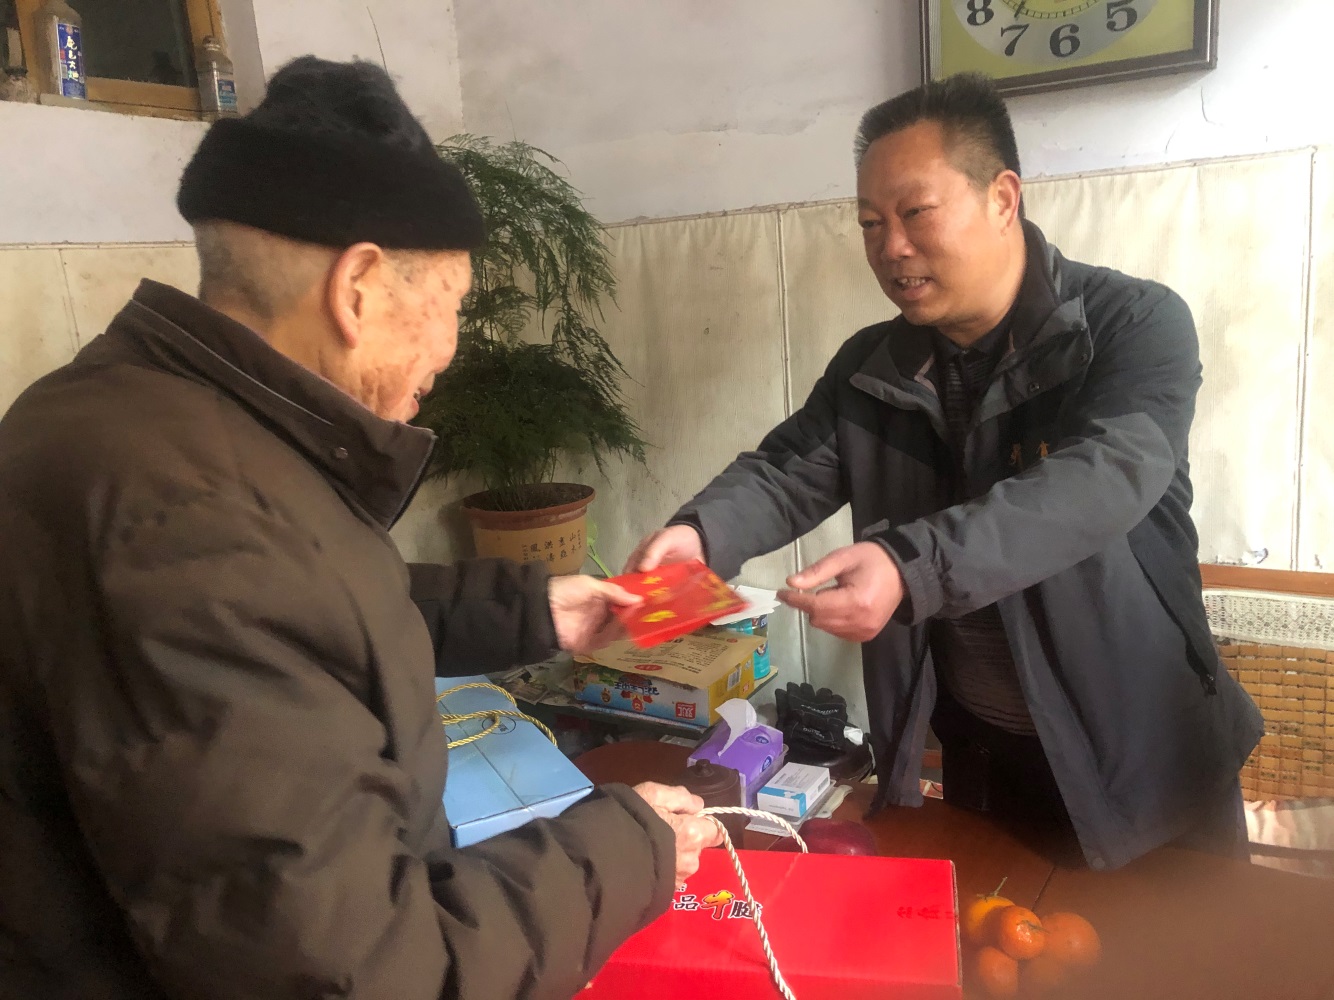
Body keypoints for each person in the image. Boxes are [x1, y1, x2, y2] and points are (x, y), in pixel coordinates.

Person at [0, 57, 719, 1000]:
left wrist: (529, 609)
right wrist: (628, 847)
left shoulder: (119, 416)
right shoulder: (192, 527)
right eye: (451, 305)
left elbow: (305, 601)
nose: (449, 349)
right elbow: (362, 974)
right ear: (360, 289)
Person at [627, 73, 1264, 872]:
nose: (890, 247)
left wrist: (909, 565)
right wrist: (698, 536)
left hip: (1145, 752)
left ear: (1002, 198)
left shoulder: (1130, 325)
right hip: (982, 755)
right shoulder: (872, 364)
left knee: (1179, 945)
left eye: (916, 213)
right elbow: (787, 471)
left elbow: (1105, 478)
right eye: (870, 223)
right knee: (991, 938)